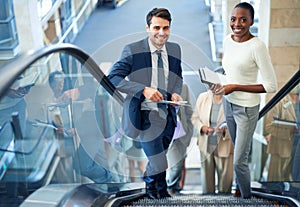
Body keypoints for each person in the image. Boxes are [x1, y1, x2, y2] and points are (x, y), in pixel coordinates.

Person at [108, 8, 183, 199]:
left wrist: (175, 93)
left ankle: (161, 191)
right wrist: (143, 90)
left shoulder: (174, 49)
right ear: (148, 28)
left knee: (160, 158)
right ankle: (151, 191)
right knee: (158, 161)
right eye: (156, 27)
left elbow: (178, 78)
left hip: (167, 114)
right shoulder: (133, 50)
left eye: (166, 28)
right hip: (144, 115)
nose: (161, 33)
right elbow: (112, 78)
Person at [211, 2, 277, 199]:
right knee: (236, 154)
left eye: (243, 19)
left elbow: (271, 85)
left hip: (247, 109)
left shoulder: (257, 46)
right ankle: (239, 191)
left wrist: (235, 86)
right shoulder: (227, 40)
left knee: (239, 160)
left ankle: (246, 200)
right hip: (228, 104)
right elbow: (229, 70)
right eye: (233, 19)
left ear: (250, 22)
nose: (237, 24)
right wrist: (217, 81)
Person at [48, 71, 112, 183]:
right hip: (66, 143)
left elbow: (89, 118)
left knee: (87, 165)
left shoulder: (75, 98)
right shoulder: (50, 103)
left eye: (62, 82)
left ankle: (110, 180)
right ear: (51, 87)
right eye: (57, 84)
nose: (60, 86)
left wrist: (77, 129)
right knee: (72, 170)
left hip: (88, 135)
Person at [191, 90, 234, 194]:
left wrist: (224, 131)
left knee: (225, 184)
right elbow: (194, 118)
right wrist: (202, 127)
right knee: (207, 184)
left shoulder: (231, 99)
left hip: (225, 145)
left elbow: (237, 122)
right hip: (206, 145)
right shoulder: (203, 97)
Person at [166, 83, 193, 194]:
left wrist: (189, 130)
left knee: (180, 162)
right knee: (176, 165)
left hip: (182, 133)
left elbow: (188, 110)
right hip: (168, 133)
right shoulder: (160, 85)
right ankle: (170, 186)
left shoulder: (184, 87)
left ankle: (175, 188)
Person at [264, 92, 296, 181]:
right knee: (274, 183)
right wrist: (290, 132)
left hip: (294, 150)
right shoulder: (280, 101)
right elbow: (269, 126)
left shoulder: (296, 102)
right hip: (280, 149)